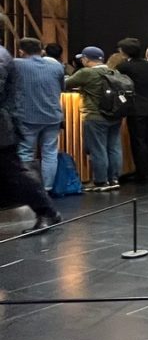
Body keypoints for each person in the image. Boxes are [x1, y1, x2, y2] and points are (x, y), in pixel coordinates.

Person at [0, 44, 62, 232]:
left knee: (16, 172)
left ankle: (47, 210)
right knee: (40, 158)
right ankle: (47, 202)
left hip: (6, 126)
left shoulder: (5, 57)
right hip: (47, 116)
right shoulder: (55, 66)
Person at [65, 46, 123, 191]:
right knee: (114, 148)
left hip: (95, 115)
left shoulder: (86, 72)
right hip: (115, 115)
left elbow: (66, 83)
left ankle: (100, 181)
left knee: (98, 149)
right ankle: (114, 179)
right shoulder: (113, 71)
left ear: (86, 59)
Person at [12, 37, 65, 191]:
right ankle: (47, 188)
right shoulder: (56, 66)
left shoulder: (16, 64)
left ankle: (28, 189)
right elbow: (62, 87)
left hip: (27, 116)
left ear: (21, 51)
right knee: (50, 153)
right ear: (41, 50)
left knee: (25, 153)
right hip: (52, 116)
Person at [116, 37, 148, 183]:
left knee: (139, 141)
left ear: (125, 51)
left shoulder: (124, 67)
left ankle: (142, 173)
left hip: (136, 108)